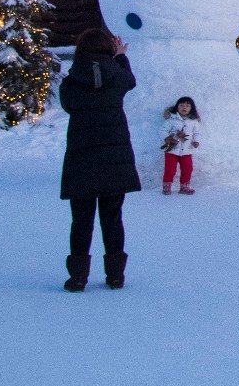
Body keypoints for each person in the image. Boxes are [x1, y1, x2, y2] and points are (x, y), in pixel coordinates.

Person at [59, 28, 141, 291]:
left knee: (81, 221)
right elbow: (130, 80)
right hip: (114, 158)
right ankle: (116, 276)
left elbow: (69, 106)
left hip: (81, 158)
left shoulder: (71, 82)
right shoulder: (118, 76)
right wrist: (120, 57)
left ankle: (78, 277)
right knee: (112, 218)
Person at [160, 96, 201, 195]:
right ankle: (167, 186)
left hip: (187, 150)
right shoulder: (171, 120)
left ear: (192, 108)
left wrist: (196, 141)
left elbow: (197, 133)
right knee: (170, 169)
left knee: (187, 168)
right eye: (181, 105)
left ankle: (184, 187)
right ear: (177, 107)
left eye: (187, 106)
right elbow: (162, 130)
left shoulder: (193, 122)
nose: (184, 108)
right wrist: (166, 138)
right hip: (172, 150)